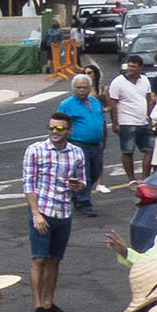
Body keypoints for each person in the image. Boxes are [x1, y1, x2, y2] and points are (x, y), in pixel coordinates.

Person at [23, 112, 88, 312]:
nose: (54, 132)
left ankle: (49, 302)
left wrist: (79, 186)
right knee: (39, 259)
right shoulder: (35, 150)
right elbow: (29, 184)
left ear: (69, 130)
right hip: (43, 211)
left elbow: (82, 181)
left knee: (54, 260)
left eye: (59, 129)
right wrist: (35, 213)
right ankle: (37, 306)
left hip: (64, 212)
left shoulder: (77, 153)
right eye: (51, 128)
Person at [58, 73, 108, 212]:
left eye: (84, 88)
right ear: (73, 88)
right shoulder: (67, 105)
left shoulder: (95, 102)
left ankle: (77, 193)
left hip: (96, 143)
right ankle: (83, 202)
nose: (81, 90)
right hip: (78, 143)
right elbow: (59, 123)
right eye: (78, 87)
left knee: (96, 170)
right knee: (83, 172)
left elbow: (101, 120)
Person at [110, 55, 157, 184]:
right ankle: (131, 179)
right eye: (129, 66)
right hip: (126, 121)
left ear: (140, 68)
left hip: (143, 121)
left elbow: (148, 99)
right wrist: (115, 123)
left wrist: (150, 116)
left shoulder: (145, 80)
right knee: (128, 151)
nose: (130, 69)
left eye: (133, 66)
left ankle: (145, 177)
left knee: (149, 149)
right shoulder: (118, 82)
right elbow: (113, 103)